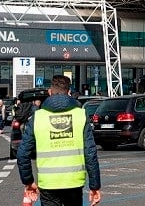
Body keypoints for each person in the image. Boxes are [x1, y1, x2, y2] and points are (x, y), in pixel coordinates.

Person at [17, 75, 101, 206]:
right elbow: (90, 152)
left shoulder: (37, 117)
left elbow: (22, 154)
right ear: (69, 93)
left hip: (48, 184)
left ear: (50, 92)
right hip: (74, 182)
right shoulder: (80, 115)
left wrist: (28, 182)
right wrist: (94, 186)